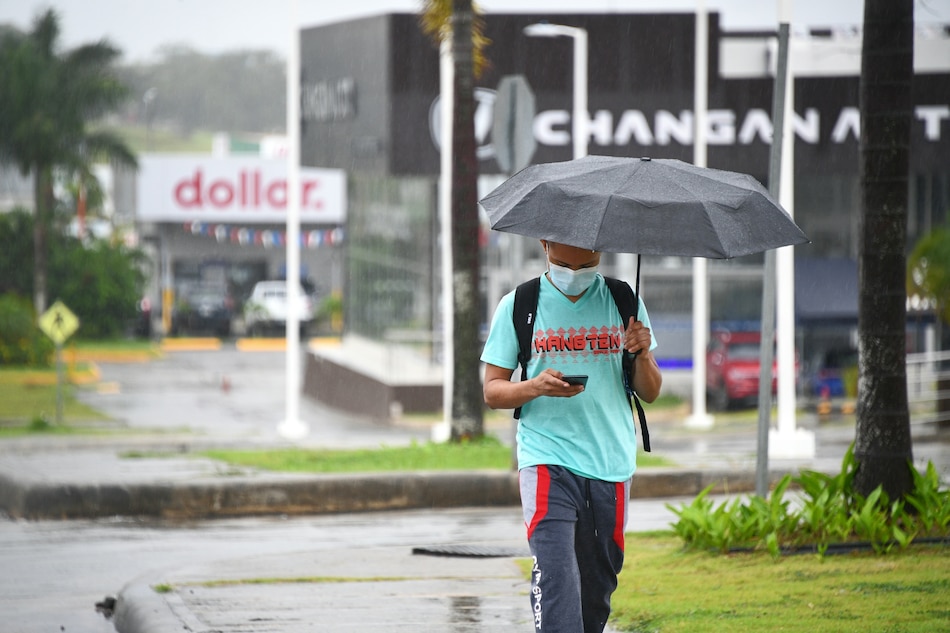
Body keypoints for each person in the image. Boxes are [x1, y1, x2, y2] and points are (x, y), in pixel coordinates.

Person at [480, 240, 662, 633]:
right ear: (544, 244)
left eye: (589, 260)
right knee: (556, 577)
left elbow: (650, 391)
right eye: (565, 261)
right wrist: (535, 387)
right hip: (546, 461)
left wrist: (643, 353)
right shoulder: (520, 305)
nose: (576, 270)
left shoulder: (623, 300)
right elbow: (493, 390)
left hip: (609, 464)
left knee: (596, 592)